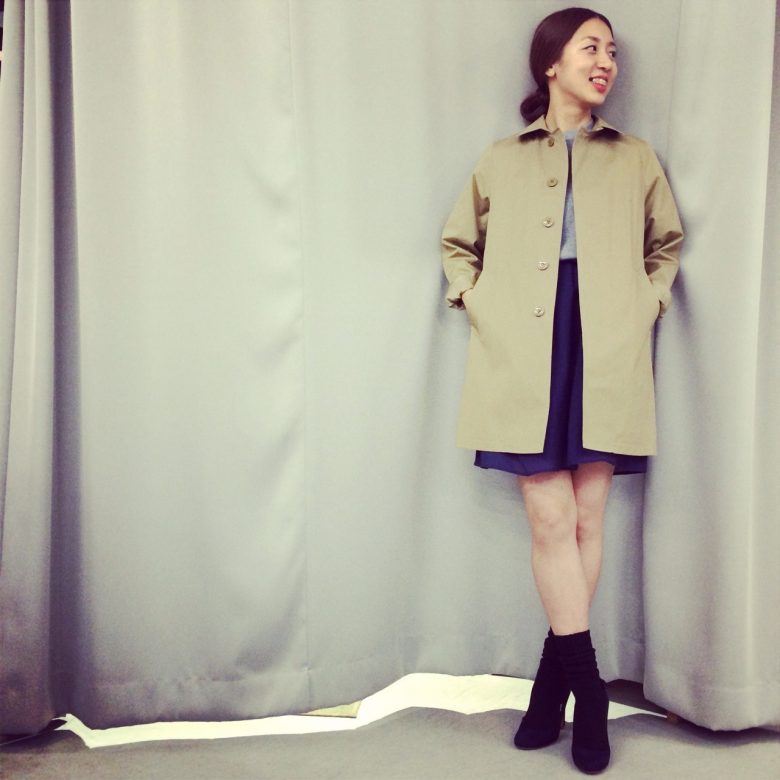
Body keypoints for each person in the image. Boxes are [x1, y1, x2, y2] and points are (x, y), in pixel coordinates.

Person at [441, 6, 683, 775]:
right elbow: (457, 243)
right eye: (591, 47)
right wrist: (475, 299)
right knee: (550, 520)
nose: (606, 61)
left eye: (612, 51)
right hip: (524, 349)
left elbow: (665, 244)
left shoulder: (635, 157)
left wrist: (647, 304)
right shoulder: (501, 157)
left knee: (585, 518)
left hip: (607, 348)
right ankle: (589, 692)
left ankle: (550, 692)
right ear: (552, 62)